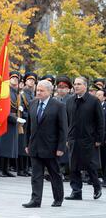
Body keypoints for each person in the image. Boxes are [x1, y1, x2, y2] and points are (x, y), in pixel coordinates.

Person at [23, 80, 67, 208]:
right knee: (36, 175)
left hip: (51, 147)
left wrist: (61, 147)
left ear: (49, 91)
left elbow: (63, 128)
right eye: (38, 90)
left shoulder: (58, 106)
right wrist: (27, 144)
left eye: (42, 91)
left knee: (54, 174)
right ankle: (35, 200)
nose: (39, 92)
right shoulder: (32, 103)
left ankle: (58, 198)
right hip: (35, 146)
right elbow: (29, 126)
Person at [65, 77, 104, 201]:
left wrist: (99, 138)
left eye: (79, 84)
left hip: (88, 139)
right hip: (73, 139)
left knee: (90, 165)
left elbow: (100, 122)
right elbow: (67, 121)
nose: (76, 86)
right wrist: (67, 138)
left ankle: (97, 187)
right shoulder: (70, 101)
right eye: (75, 84)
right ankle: (76, 191)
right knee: (73, 166)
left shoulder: (93, 101)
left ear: (85, 86)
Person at [17, 72, 37, 177]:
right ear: (25, 81)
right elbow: (21, 109)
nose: (31, 82)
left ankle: (25, 168)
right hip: (24, 121)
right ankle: (21, 169)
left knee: (28, 145)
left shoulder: (32, 94)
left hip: (30, 121)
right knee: (22, 145)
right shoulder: (23, 94)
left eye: (33, 80)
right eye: (29, 80)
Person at [95, 89, 106, 187]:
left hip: (103, 137)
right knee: (100, 159)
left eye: (99, 95)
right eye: (96, 94)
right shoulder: (95, 106)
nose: (97, 96)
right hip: (98, 138)